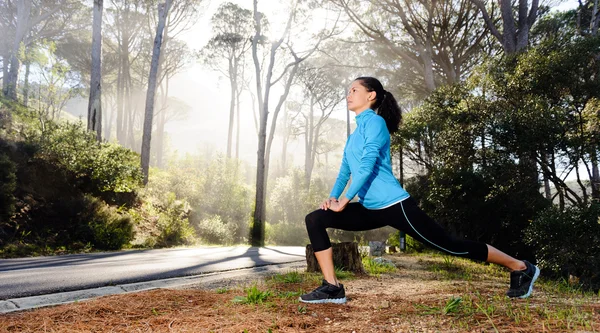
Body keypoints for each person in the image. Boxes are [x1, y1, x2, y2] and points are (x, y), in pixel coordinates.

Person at [299, 77, 540, 304]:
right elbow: (345, 171)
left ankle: (521, 267)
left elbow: (367, 164)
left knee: (450, 245)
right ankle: (332, 287)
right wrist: (333, 196)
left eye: (354, 90)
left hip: (395, 205)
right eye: (348, 90)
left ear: (371, 95)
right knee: (316, 219)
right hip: (370, 207)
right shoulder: (354, 136)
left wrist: (345, 200)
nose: (348, 94)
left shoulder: (376, 123)